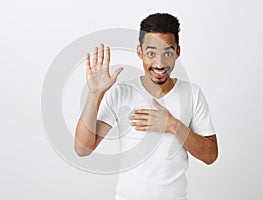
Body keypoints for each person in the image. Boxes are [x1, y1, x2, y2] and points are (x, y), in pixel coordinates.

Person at [74, 13, 218, 200]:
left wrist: (173, 125)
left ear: (178, 52)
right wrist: (95, 94)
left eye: (168, 53)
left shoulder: (192, 94)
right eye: (151, 53)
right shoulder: (121, 93)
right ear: (140, 52)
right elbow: (82, 149)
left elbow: (210, 155)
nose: (159, 63)